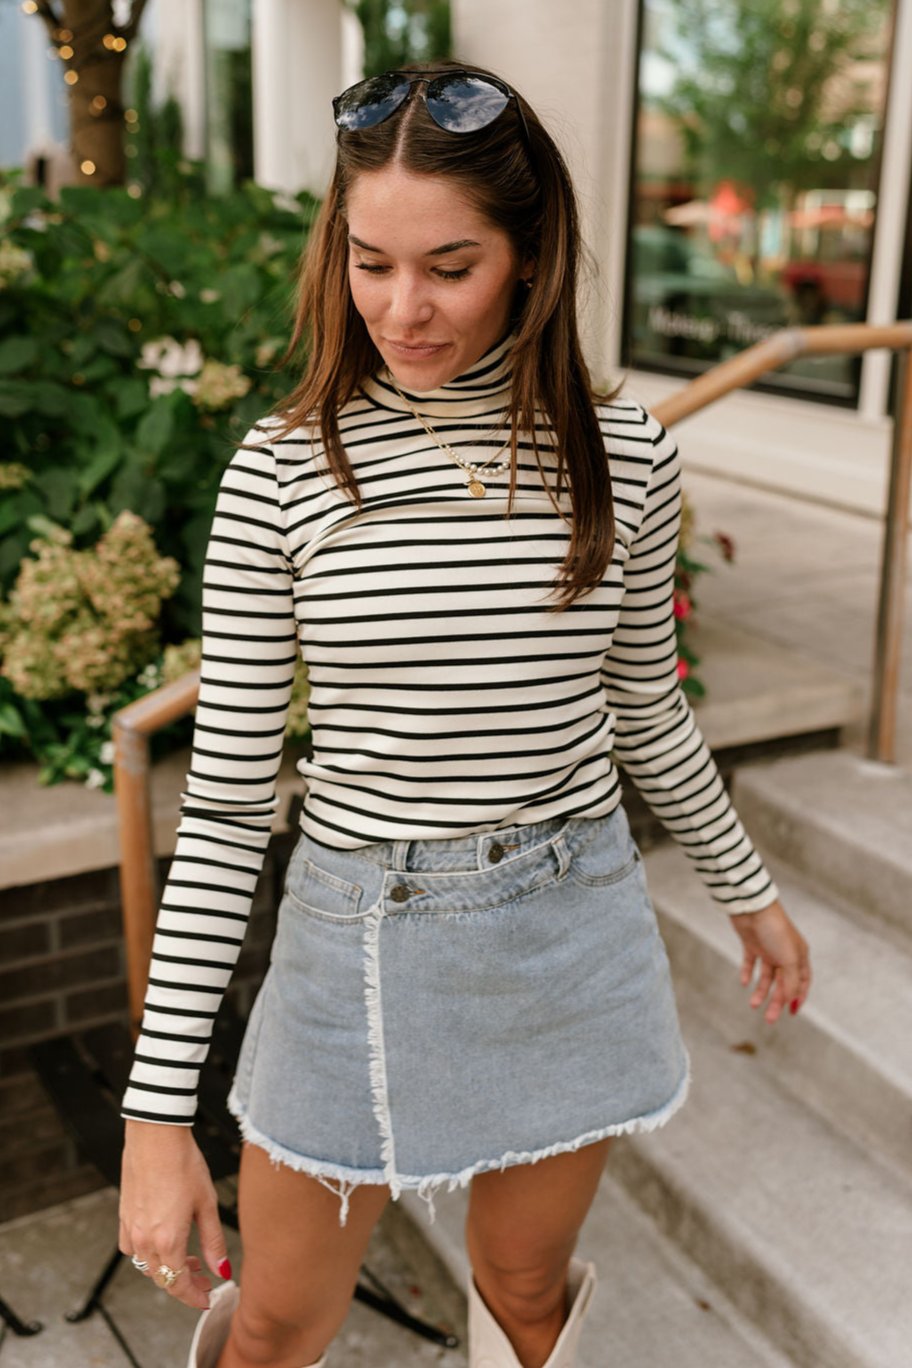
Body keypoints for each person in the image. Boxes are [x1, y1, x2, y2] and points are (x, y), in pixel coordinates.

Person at [118, 59, 812, 1368]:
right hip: (350, 938)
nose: (402, 308)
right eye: (370, 262)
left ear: (531, 262)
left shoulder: (626, 455)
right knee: (274, 1318)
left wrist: (749, 890)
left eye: (449, 265)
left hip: (567, 925)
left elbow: (644, 713)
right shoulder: (281, 471)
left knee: (525, 1287)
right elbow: (219, 812)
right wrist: (159, 1122)